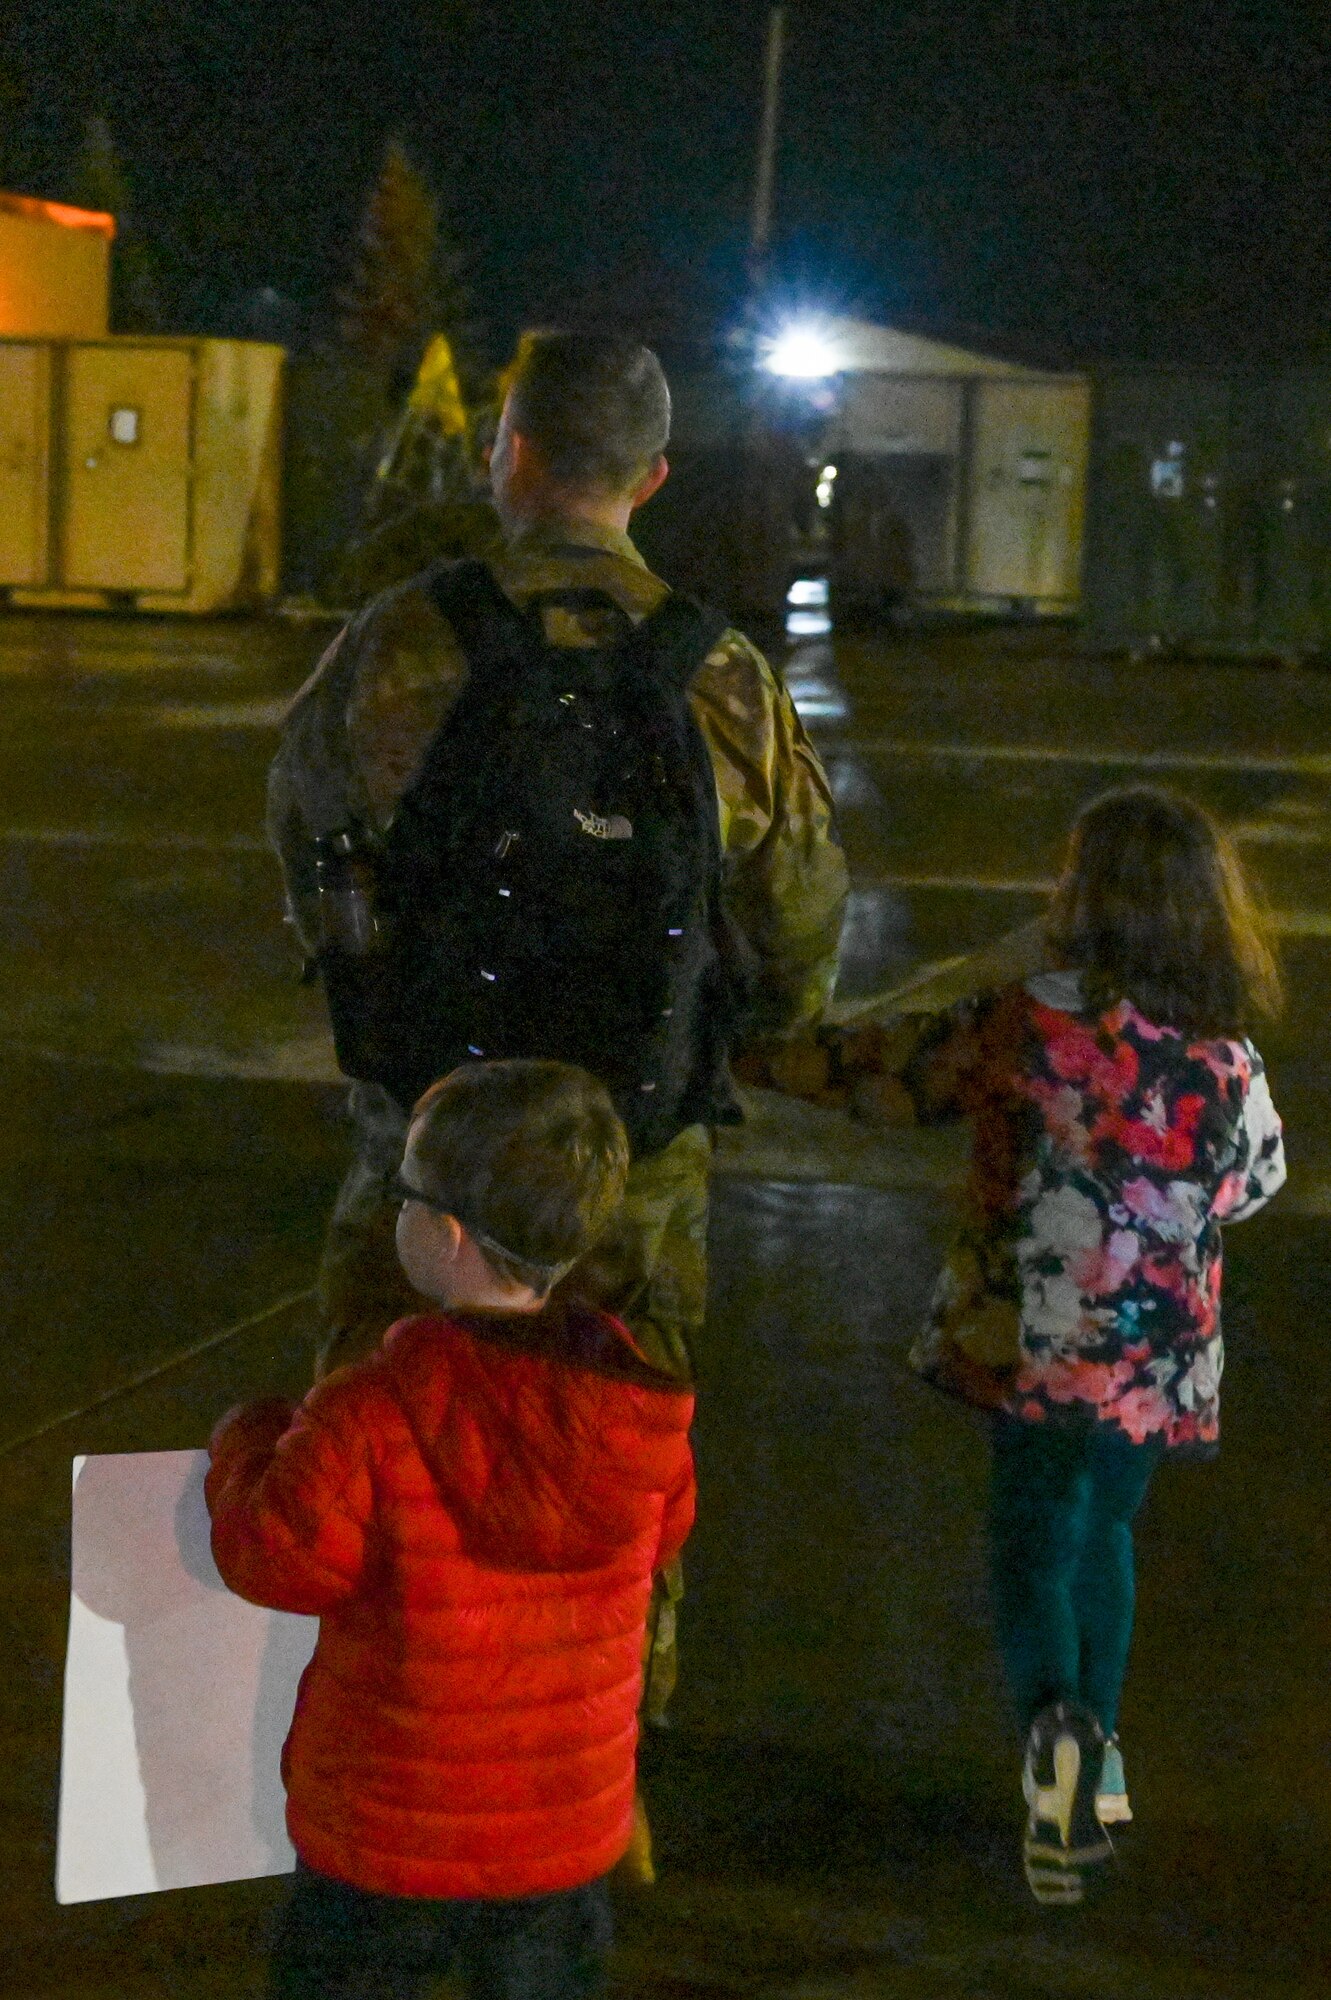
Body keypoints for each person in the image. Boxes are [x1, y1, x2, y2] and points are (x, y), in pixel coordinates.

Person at [267, 328, 847, 1752]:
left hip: (427, 1148)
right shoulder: (719, 681)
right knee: (613, 1460)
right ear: (647, 477)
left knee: (370, 1438)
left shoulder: (401, 640)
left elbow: (304, 842)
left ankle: (371, 1740)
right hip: (629, 1161)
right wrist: (744, 1031)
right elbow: (799, 926)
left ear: (501, 449)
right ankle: (598, 1759)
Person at [206, 1059, 695, 1999]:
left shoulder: (371, 1410)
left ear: (447, 1234)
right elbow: (663, 1533)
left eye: (405, 1194)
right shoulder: (636, 1412)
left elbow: (274, 1557)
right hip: (560, 1837)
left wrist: (248, 1443)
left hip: (389, 1840)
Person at [889, 787, 1286, 1905]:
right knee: (1103, 1530)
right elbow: (1255, 1182)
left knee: (1025, 1541)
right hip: (1152, 1364)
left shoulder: (1022, 1022)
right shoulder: (1224, 1058)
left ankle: (1049, 1735)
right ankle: (1093, 1751)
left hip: (1032, 1345)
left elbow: (900, 1078)